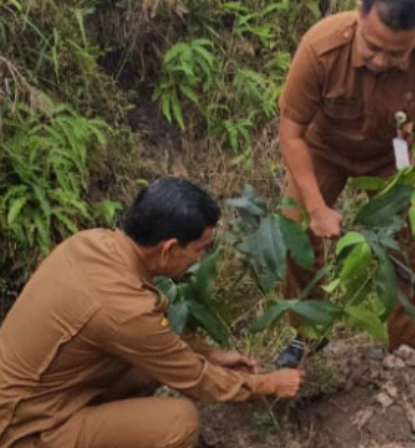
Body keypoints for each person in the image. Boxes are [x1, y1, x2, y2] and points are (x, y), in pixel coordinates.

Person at [0, 177, 304, 448]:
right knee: (179, 422)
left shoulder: (89, 243)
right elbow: (196, 379)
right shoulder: (123, 309)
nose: (201, 259)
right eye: (200, 248)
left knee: (145, 368)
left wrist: (209, 354)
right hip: (24, 431)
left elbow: (155, 341)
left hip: (39, 399)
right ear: (169, 249)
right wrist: (268, 384)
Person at [275, 0, 415, 368]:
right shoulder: (320, 48)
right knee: (295, 227)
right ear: (360, 12)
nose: (379, 61)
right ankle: (309, 333)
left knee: (413, 237)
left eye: (395, 53)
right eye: (372, 46)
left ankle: (407, 345)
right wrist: (318, 209)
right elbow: (291, 134)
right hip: (323, 149)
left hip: (391, 156)